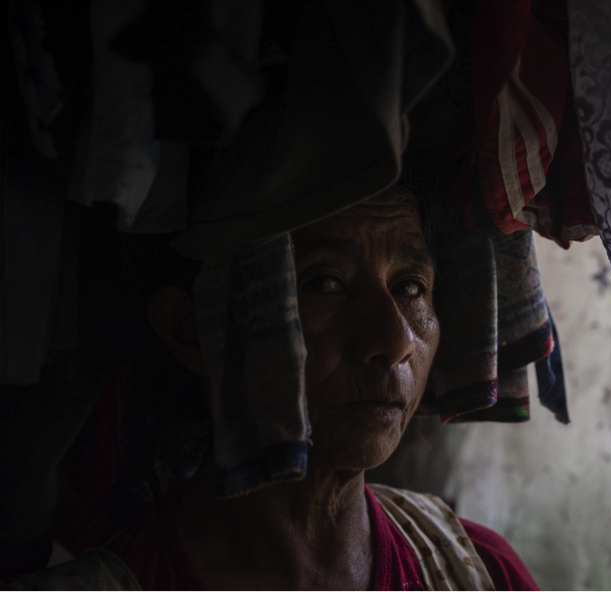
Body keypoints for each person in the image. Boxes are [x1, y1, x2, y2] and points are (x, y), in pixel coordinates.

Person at [41, 187, 539, 592]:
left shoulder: (477, 569)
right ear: (191, 331)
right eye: (324, 283)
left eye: (410, 287)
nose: (394, 341)